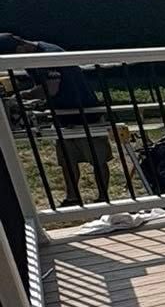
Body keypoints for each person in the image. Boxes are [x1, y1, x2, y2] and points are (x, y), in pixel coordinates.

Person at [0, 31, 115, 205]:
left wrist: (19, 96)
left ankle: (103, 198)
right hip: (62, 113)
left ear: (21, 47)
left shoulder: (48, 54)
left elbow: (51, 88)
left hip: (85, 112)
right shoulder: (30, 56)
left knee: (96, 158)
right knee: (67, 159)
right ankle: (72, 198)